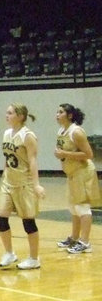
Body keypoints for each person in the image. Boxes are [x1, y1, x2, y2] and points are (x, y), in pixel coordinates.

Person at [0, 103, 45, 270]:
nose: (7, 115)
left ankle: (34, 258)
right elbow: (8, 156)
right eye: (7, 112)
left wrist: (37, 185)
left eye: (10, 113)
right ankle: (9, 253)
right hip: (8, 182)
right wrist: (4, 172)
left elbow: (33, 160)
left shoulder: (28, 136)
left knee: (28, 222)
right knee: (0, 218)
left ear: (21, 116)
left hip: (24, 183)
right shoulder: (6, 133)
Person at [54, 103, 101, 254]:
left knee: (82, 207)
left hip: (83, 172)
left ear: (70, 115)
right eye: (57, 112)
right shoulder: (61, 130)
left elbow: (89, 154)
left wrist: (65, 154)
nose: (57, 114)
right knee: (73, 208)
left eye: (61, 112)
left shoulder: (77, 132)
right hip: (72, 173)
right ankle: (74, 237)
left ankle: (85, 242)